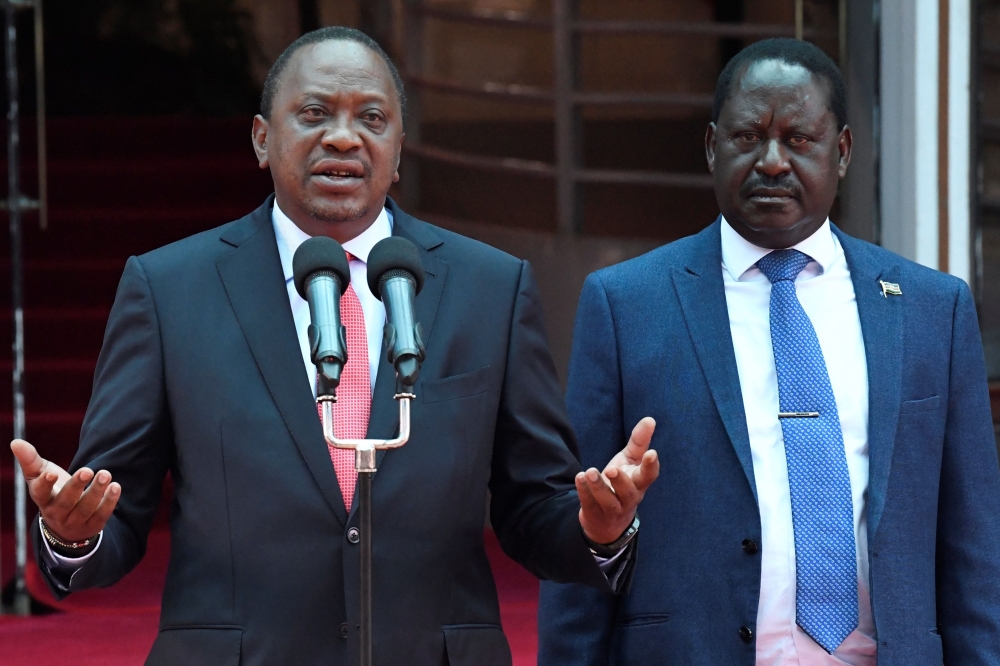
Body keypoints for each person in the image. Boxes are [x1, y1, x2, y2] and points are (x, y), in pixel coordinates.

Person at [9, 27, 659, 665]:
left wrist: (596, 531)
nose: (344, 136)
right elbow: (115, 511)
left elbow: (532, 508)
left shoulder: (490, 286)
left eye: (371, 117)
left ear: (399, 150)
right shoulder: (169, 288)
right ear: (263, 139)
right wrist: (75, 535)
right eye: (315, 113)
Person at [537, 38, 1000, 665]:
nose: (773, 162)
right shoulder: (626, 305)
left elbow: (972, 543)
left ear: (841, 152)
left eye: (799, 140)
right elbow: (586, 526)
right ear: (711, 148)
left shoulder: (929, 308)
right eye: (748, 137)